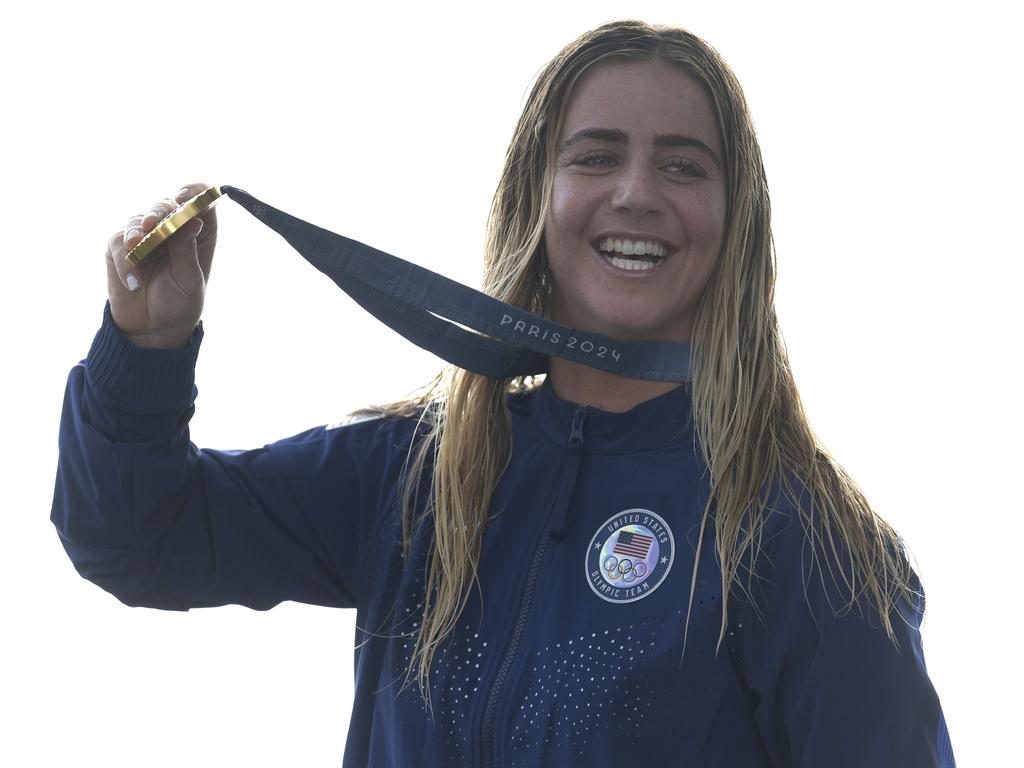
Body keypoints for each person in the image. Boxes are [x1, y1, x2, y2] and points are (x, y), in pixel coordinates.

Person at [52, 19, 956, 767]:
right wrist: (148, 344)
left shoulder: (803, 535)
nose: (636, 193)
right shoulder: (415, 480)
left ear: (736, 220)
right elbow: (139, 538)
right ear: (538, 194)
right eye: (596, 157)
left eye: (684, 166)